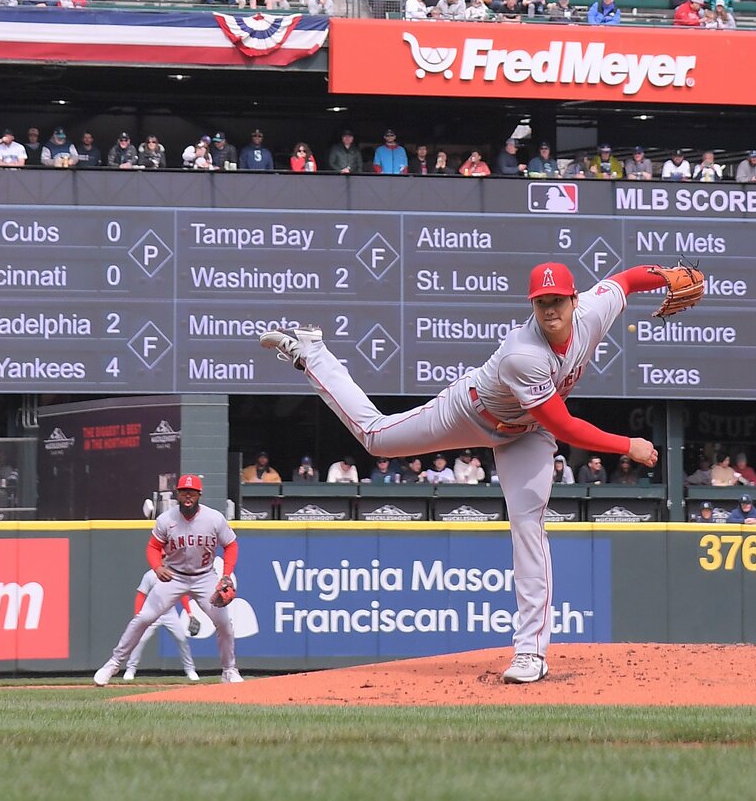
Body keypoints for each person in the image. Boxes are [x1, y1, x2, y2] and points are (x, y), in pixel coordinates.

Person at [261, 257, 702, 685]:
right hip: (472, 411)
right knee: (376, 438)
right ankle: (312, 351)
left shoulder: (594, 309)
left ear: (573, 299)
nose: (550, 309)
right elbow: (563, 425)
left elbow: (624, 281)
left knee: (528, 525)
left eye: (557, 300)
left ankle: (530, 652)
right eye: (540, 302)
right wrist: (628, 445)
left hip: (526, 432)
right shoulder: (522, 353)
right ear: (532, 305)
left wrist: (666, 277)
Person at [94, 476, 240, 684]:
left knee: (224, 623)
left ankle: (229, 670)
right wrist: (157, 567)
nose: (187, 495)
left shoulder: (214, 518)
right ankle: (113, 663)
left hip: (205, 577)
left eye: (192, 492)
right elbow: (153, 547)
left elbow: (231, 545)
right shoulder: (166, 519)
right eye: (183, 491)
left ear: (199, 494)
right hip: (174, 576)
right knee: (143, 618)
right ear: (178, 494)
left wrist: (226, 574)